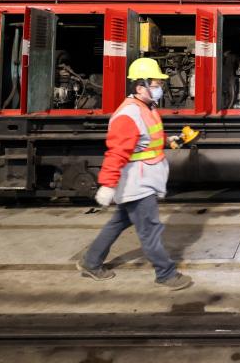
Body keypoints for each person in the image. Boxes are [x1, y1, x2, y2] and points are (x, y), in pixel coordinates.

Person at [77, 57, 193, 290]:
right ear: (140, 87)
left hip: (141, 178)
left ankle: (91, 262)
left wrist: (170, 140)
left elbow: (148, 138)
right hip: (137, 182)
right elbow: (117, 152)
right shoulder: (128, 114)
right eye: (155, 84)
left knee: (118, 222)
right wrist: (107, 185)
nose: (160, 88)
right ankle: (166, 273)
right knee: (150, 229)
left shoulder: (145, 107)